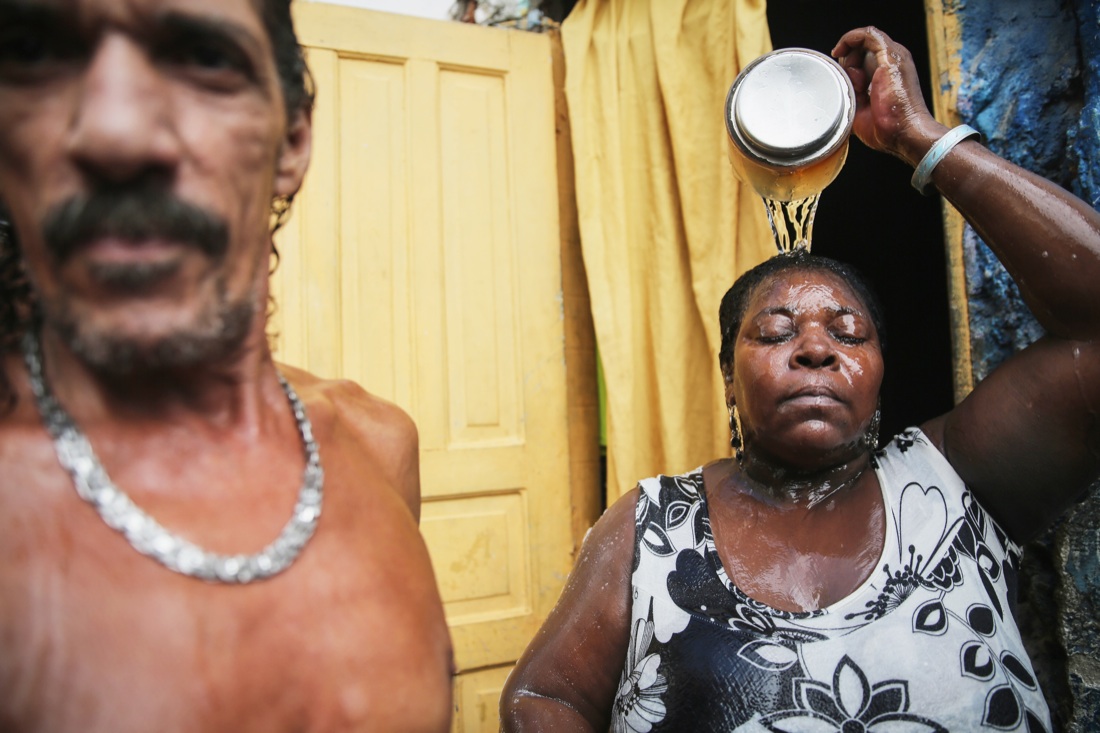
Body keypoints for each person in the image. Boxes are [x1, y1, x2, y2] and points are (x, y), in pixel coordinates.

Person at [500, 25, 1100, 732]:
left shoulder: (956, 482)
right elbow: (542, 699)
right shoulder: (652, 528)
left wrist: (920, 139)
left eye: (847, 332)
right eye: (776, 331)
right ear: (728, 377)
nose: (815, 347)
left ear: (880, 370)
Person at [0, 0, 453, 730]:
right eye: (33, 53)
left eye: (203, 58)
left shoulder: (377, 447)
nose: (116, 132)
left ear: (292, 140)